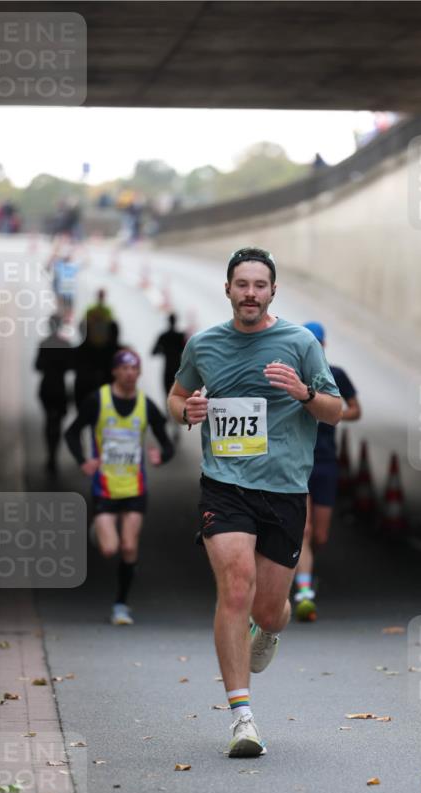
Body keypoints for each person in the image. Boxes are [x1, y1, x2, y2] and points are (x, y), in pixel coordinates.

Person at [168, 247, 342, 757]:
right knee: (236, 586)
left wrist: (304, 394)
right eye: (241, 284)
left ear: (272, 291)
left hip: (283, 489)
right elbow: (176, 397)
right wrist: (186, 411)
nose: (250, 293)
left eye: (259, 285)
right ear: (227, 289)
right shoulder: (204, 345)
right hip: (224, 485)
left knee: (268, 610)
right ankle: (242, 719)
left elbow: (335, 410)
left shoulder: (300, 343)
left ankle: (267, 630)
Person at [64, 348, 174, 625]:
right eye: (124, 368)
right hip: (104, 487)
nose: (129, 373)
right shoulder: (98, 401)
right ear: (114, 371)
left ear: (139, 372)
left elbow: (167, 442)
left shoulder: (146, 405)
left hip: (135, 488)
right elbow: (72, 432)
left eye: (134, 368)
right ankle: (98, 529)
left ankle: (121, 605)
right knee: (109, 549)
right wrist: (83, 461)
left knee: (128, 547)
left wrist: (161, 456)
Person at [293, 322, 361, 621]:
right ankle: (304, 591)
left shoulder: (336, 375)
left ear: (323, 345)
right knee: (303, 530)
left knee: (319, 535)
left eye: (317, 343)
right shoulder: (293, 377)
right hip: (297, 462)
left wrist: (331, 411)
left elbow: (356, 409)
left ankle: (303, 571)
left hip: (325, 462)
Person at [34, 313, 75, 475]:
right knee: (57, 422)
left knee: (49, 421)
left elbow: (37, 366)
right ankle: (53, 454)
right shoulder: (66, 344)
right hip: (59, 388)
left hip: (46, 387)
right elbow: (72, 366)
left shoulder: (44, 344)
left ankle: (50, 454)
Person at [74, 290, 119, 408]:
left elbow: (82, 325)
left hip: (91, 346)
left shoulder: (92, 309)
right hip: (103, 348)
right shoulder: (106, 310)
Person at [151, 312, 188, 403]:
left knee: (168, 396)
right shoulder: (180, 336)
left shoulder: (164, 336)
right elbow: (187, 352)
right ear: (175, 321)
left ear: (168, 321)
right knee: (178, 396)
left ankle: (169, 410)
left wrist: (164, 350)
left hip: (168, 369)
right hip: (178, 370)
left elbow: (153, 352)